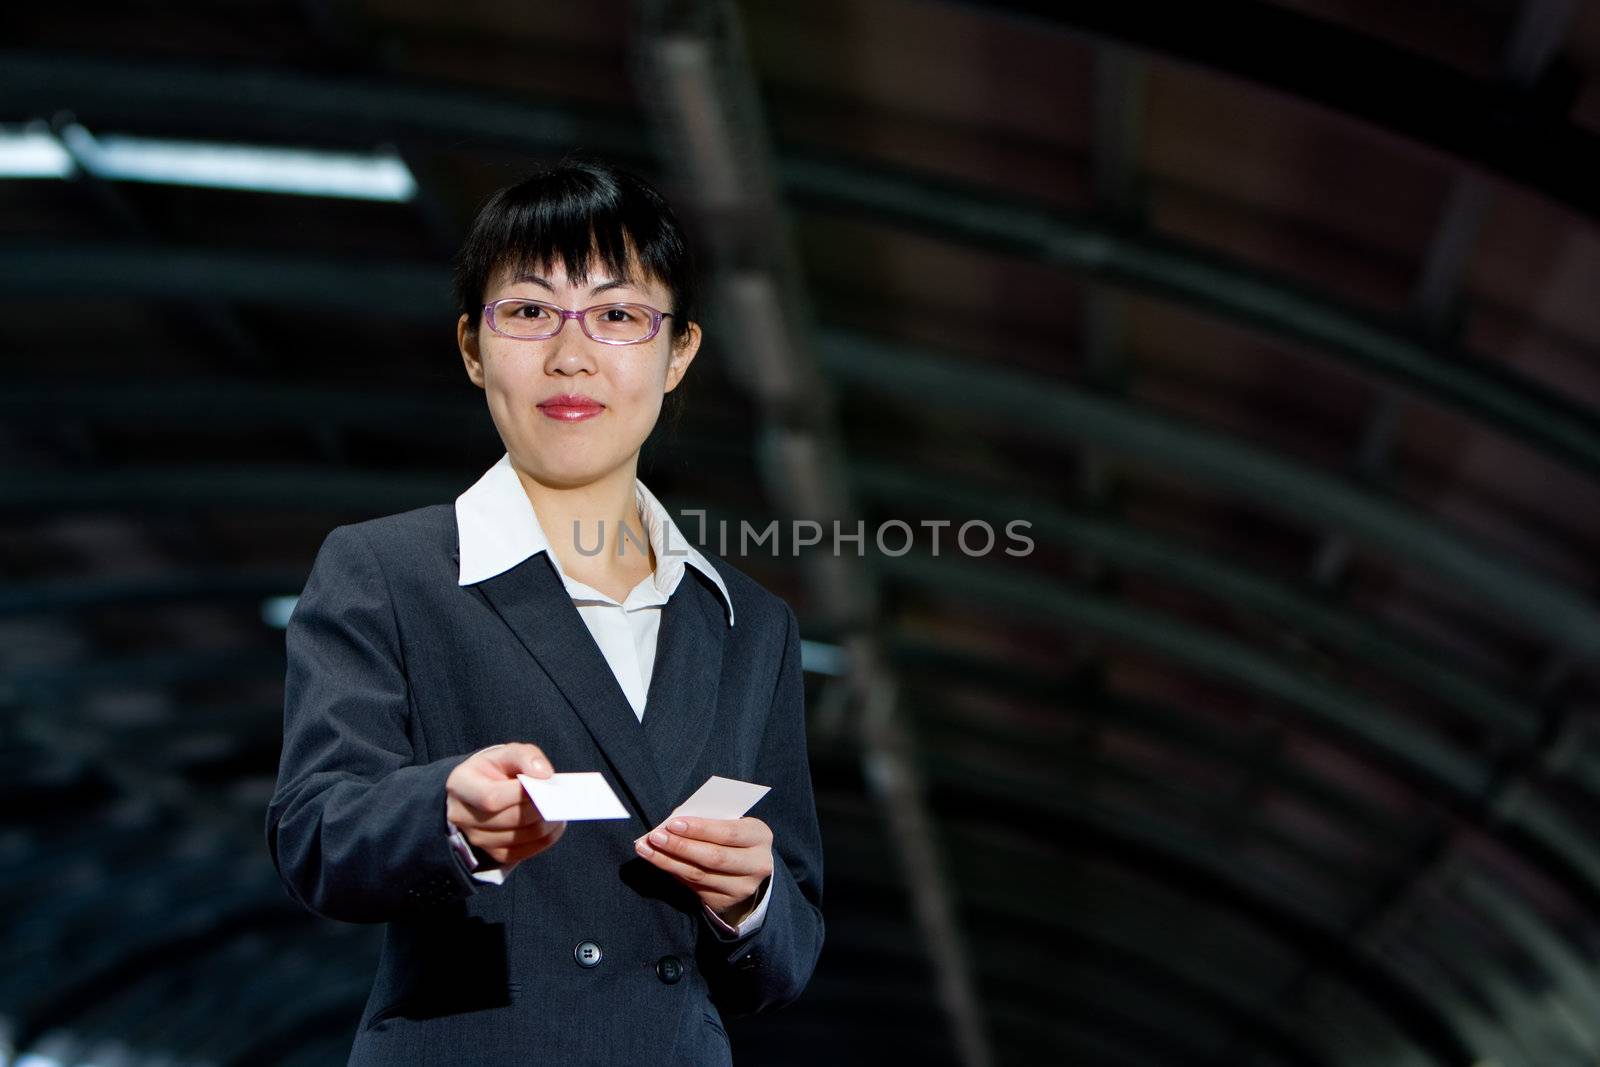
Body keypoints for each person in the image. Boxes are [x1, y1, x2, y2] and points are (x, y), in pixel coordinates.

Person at [264, 156, 824, 1066]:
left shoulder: (750, 626)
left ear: (678, 351)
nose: (571, 354)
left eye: (618, 315)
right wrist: (442, 812)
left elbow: (787, 957)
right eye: (528, 312)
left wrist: (751, 897)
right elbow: (316, 831)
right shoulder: (388, 570)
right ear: (473, 348)